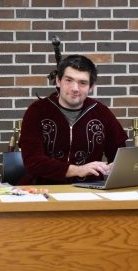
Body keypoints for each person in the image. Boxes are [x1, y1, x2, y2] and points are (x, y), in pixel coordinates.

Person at [18, 54, 128, 185]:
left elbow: (120, 155)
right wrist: (77, 170)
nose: (75, 88)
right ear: (58, 81)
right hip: (42, 190)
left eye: (82, 83)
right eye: (69, 80)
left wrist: (114, 167)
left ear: (91, 87)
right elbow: (33, 161)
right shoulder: (38, 111)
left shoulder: (101, 112)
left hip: (88, 192)